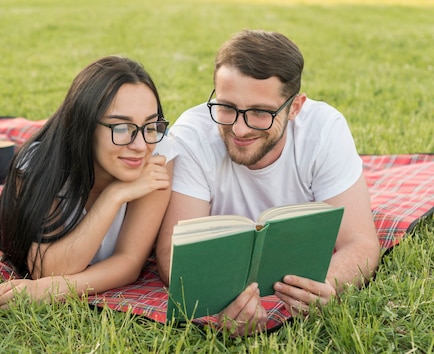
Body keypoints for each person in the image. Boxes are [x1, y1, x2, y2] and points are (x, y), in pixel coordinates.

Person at [155, 29, 380, 336]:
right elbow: (173, 253)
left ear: (295, 107)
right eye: (227, 107)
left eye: (260, 112)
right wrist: (222, 304)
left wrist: (326, 284)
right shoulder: (193, 135)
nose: (239, 128)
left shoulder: (325, 130)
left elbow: (361, 243)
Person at [0, 56, 174, 308]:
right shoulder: (41, 164)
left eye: (150, 125)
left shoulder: (158, 155)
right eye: (121, 127)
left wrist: (47, 291)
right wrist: (114, 196)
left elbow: (129, 261)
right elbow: (48, 268)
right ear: (85, 125)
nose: (140, 146)